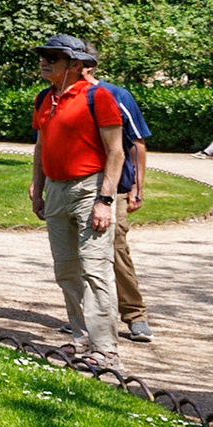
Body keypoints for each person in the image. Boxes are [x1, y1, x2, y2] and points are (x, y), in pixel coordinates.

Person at [29, 34, 125, 369]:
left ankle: (106, 350)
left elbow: (116, 152)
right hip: (56, 189)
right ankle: (81, 338)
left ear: (75, 64)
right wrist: (38, 186)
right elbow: (41, 146)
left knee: (95, 268)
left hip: (90, 188)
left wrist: (105, 200)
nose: (44, 61)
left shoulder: (98, 97)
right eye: (43, 56)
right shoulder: (44, 98)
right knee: (66, 269)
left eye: (52, 57)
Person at [84, 54, 155, 343]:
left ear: (86, 65)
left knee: (116, 250)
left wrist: (137, 187)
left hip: (115, 188)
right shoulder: (58, 98)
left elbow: (137, 142)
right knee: (80, 255)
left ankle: (135, 315)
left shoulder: (116, 95)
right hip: (76, 186)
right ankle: (90, 317)